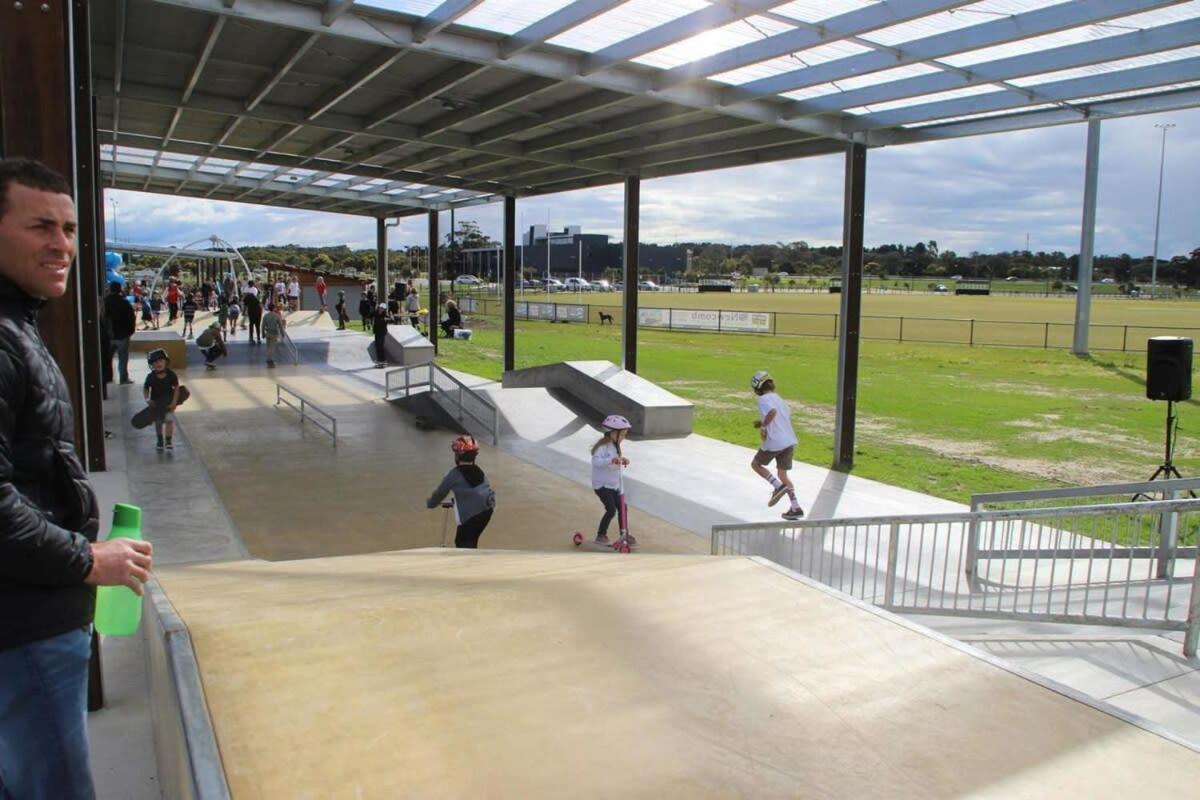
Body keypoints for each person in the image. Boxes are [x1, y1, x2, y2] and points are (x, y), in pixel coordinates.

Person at [0, 156, 154, 799]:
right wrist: (87, 557)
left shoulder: (20, 326)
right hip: (25, 627)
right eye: (41, 226)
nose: (61, 244)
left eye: (68, 229)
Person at [749, 370, 804, 520]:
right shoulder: (778, 398)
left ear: (757, 387)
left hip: (775, 442)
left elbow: (772, 413)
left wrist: (763, 427)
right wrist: (763, 423)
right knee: (783, 474)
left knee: (756, 464)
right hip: (789, 441)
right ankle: (796, 507)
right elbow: (781, 415)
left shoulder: (763, 399)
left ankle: (777, 486)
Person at [426, 436, 495, 549]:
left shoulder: (454, 474)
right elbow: (477, 492)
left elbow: (440, 493)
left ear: (457, 456)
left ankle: (470, 565)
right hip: (487, 510)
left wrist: (430, 503)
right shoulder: (479, 471)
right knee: (471, 539)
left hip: (472, 514)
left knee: (463, 543)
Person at [590, 414, 636, 546]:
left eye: (624, 435)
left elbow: (614, 463)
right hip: (602, 485)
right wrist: (611, 460)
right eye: (621, 435)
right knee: (611, 510)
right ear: (612, 433)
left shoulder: (615, 446)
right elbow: (596, 462)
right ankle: (601, 535)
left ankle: (624, 533)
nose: (623, 438)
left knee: (623, 507)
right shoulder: (602, 447)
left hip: (614, 485)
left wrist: (621, 460)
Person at [143, 348, 181, 451]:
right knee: (158, 422)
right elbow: (146, 388)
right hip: (156, 404)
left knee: (169, 421)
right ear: (152, 365)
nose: (158, 364)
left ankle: (168, 440)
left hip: (168, 403)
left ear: (166, 362)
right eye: (155, 362)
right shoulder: (150, 377)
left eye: (161, 361)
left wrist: (174, 402)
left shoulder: (171, 375)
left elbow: (176, 388)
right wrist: (147, 399)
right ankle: (159, 440)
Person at [104, 279, 136, 384]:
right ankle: (123, 379)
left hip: (108, 336)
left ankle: (108, 378)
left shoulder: (105, 302)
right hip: (123, 335)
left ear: (110, 290)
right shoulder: (125, 303)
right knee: (123, 359)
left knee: (107, 359)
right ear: (120, 290)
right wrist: (130, 332)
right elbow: (132, 318)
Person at [262, 303, 286, 368]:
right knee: (272, 347)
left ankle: (269, 359)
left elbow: (263, 325)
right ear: (274, 308)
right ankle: (269, 359)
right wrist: (282, 333)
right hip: (274, 333)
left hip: (268, 333)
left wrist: (263, 333)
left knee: (268, 346)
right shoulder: (276, 316)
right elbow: (280, 325)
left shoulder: (265, 316)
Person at [372, 302, 389, 367]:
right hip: (377, 332)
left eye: (382, 308)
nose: (380, 309)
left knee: (380, 346)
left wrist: (386, 319)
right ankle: (380, 361)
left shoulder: (385, 316)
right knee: (377, 346)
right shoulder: (376, 314)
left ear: (384, 309)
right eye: (379, 308)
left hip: (382, 333)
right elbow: (370, 315)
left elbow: (392, 320)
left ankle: (383, 361)